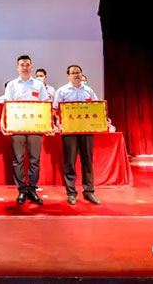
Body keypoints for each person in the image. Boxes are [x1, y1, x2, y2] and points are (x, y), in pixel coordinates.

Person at [1, 54, 50, 205]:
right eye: (22, 65)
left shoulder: (39, 85)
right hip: (17, 127)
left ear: (32, 67)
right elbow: (7, 105)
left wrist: (48, 124)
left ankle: (33, 190)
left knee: (35, 160)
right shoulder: (12, 85)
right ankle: (22, 190)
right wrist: (3, 122)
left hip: (35, 127)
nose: (25, 67)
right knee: (18, 160)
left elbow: (45, 104)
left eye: (27, 65)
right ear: (17, 67)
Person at [53, 64, 101, 206]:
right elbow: (55, 110)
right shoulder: (62, 91)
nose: (76, 75)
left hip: (86, 130)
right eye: (73, 73)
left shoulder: (89, 90)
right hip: (69, 131)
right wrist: (58, 121)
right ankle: (71, 193)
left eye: (78, 72)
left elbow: (97, 107)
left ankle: (89, 191)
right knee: (70, 162)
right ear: (68, 76)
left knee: (87, 161)